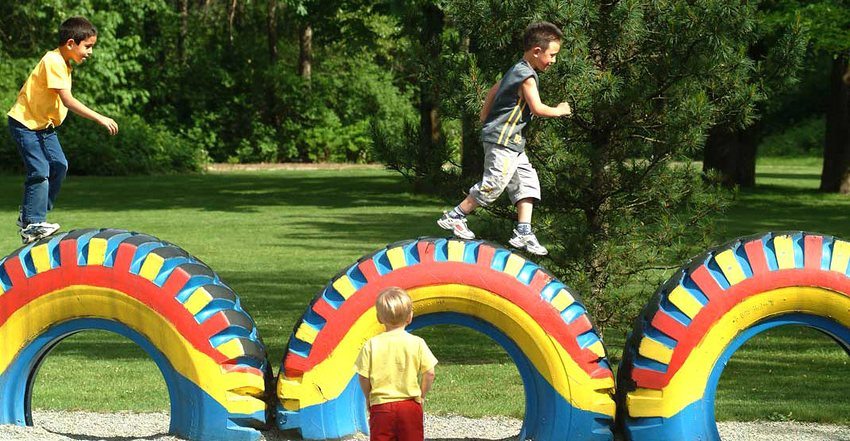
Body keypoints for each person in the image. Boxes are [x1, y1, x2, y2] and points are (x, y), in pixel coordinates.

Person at [437, 21, 571, 256]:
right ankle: (455, 216)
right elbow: (538, 108)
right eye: (552, 55)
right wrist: (560, 109)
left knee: (528, 183)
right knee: (494, 184)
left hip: (513, 143)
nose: (554, 60)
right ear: (536, 51)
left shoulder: (516, 68)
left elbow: (492, 90)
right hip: (503, 141)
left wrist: (484, 116)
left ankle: (523, 231)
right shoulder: (526, 76)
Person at [7, 16, 118, 244]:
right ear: (70, 43)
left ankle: (31, 216)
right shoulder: (53, 61)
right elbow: (68, 100)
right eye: (87, 47)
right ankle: (32, 223)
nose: (90, 52)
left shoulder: (64, 63)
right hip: (26, 124)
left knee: (59, 165)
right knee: (40, 170)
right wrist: (100, 117)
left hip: (44, 127)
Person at [354, 287, 437, 441]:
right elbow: (430, 373)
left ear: (379, 318)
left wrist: (368, 396)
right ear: (410, 316)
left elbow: (363, 376)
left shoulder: (371, 344)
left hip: (381, 406)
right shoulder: (417, 343)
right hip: (410, 405)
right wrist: (422, 395)